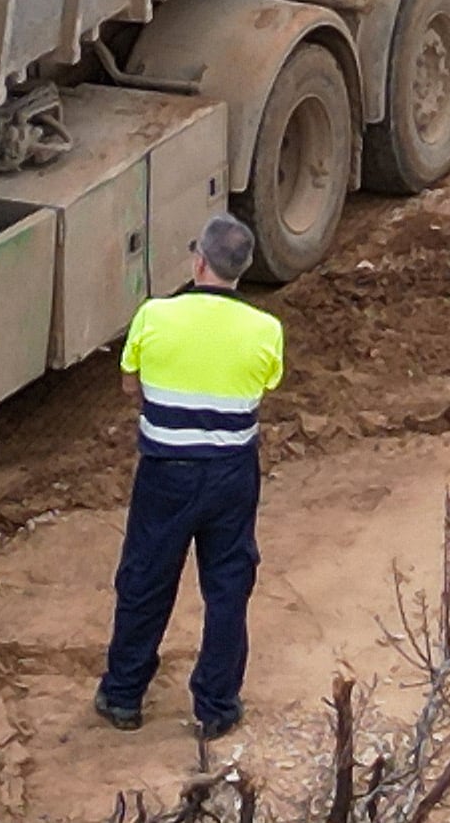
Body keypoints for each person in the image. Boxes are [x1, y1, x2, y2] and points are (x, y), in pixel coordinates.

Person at [94, 214, 286, 741]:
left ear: (198, 261)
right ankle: (216, 708)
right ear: (242, 271)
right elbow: (263, 385)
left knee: (145, 580)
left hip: (165, 473)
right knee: (227, 587)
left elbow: (131, 386)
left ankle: (123, 696)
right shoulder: (267, 331)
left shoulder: (154, 316)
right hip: (232, 474)